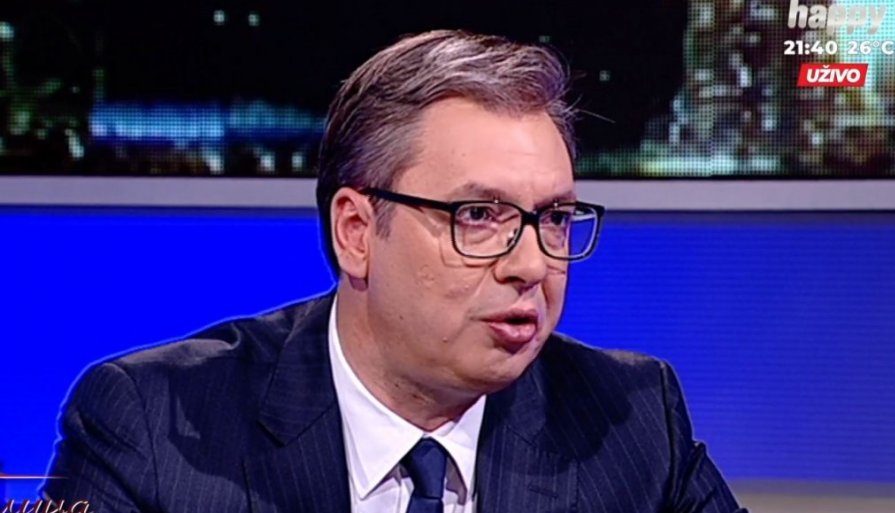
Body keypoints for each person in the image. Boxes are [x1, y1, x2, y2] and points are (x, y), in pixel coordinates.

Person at [44, 30, 746, 513]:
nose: (533, 264)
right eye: (479, 215)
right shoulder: (153, 423)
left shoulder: (629, 419)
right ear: (356, 232)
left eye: (555, 217)